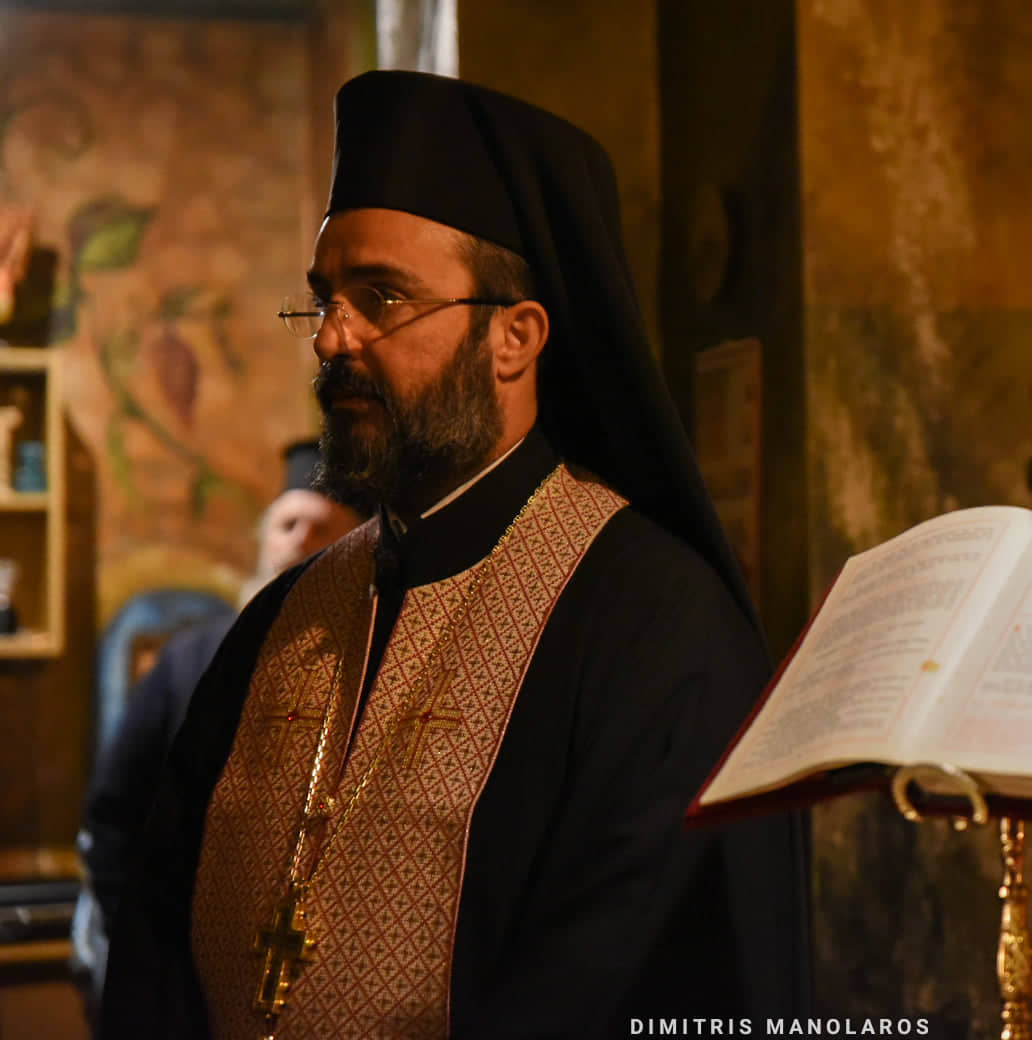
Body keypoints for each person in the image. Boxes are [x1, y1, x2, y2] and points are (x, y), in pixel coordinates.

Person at [100, 70, 810, 1039]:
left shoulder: (655, 625)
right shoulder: (281, 620)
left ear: (513, 337)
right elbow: (154, 922)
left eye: (382, 297)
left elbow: (617, 976)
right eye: (324, 300)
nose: (333, 338)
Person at [74, 441, 362, 1024]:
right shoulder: (188, 661)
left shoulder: (370, 667)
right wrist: (141, 942)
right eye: (288, 524)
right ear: (263, 539)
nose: (301, 541)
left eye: (322, 528)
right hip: (182, 964)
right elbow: (115, 816)